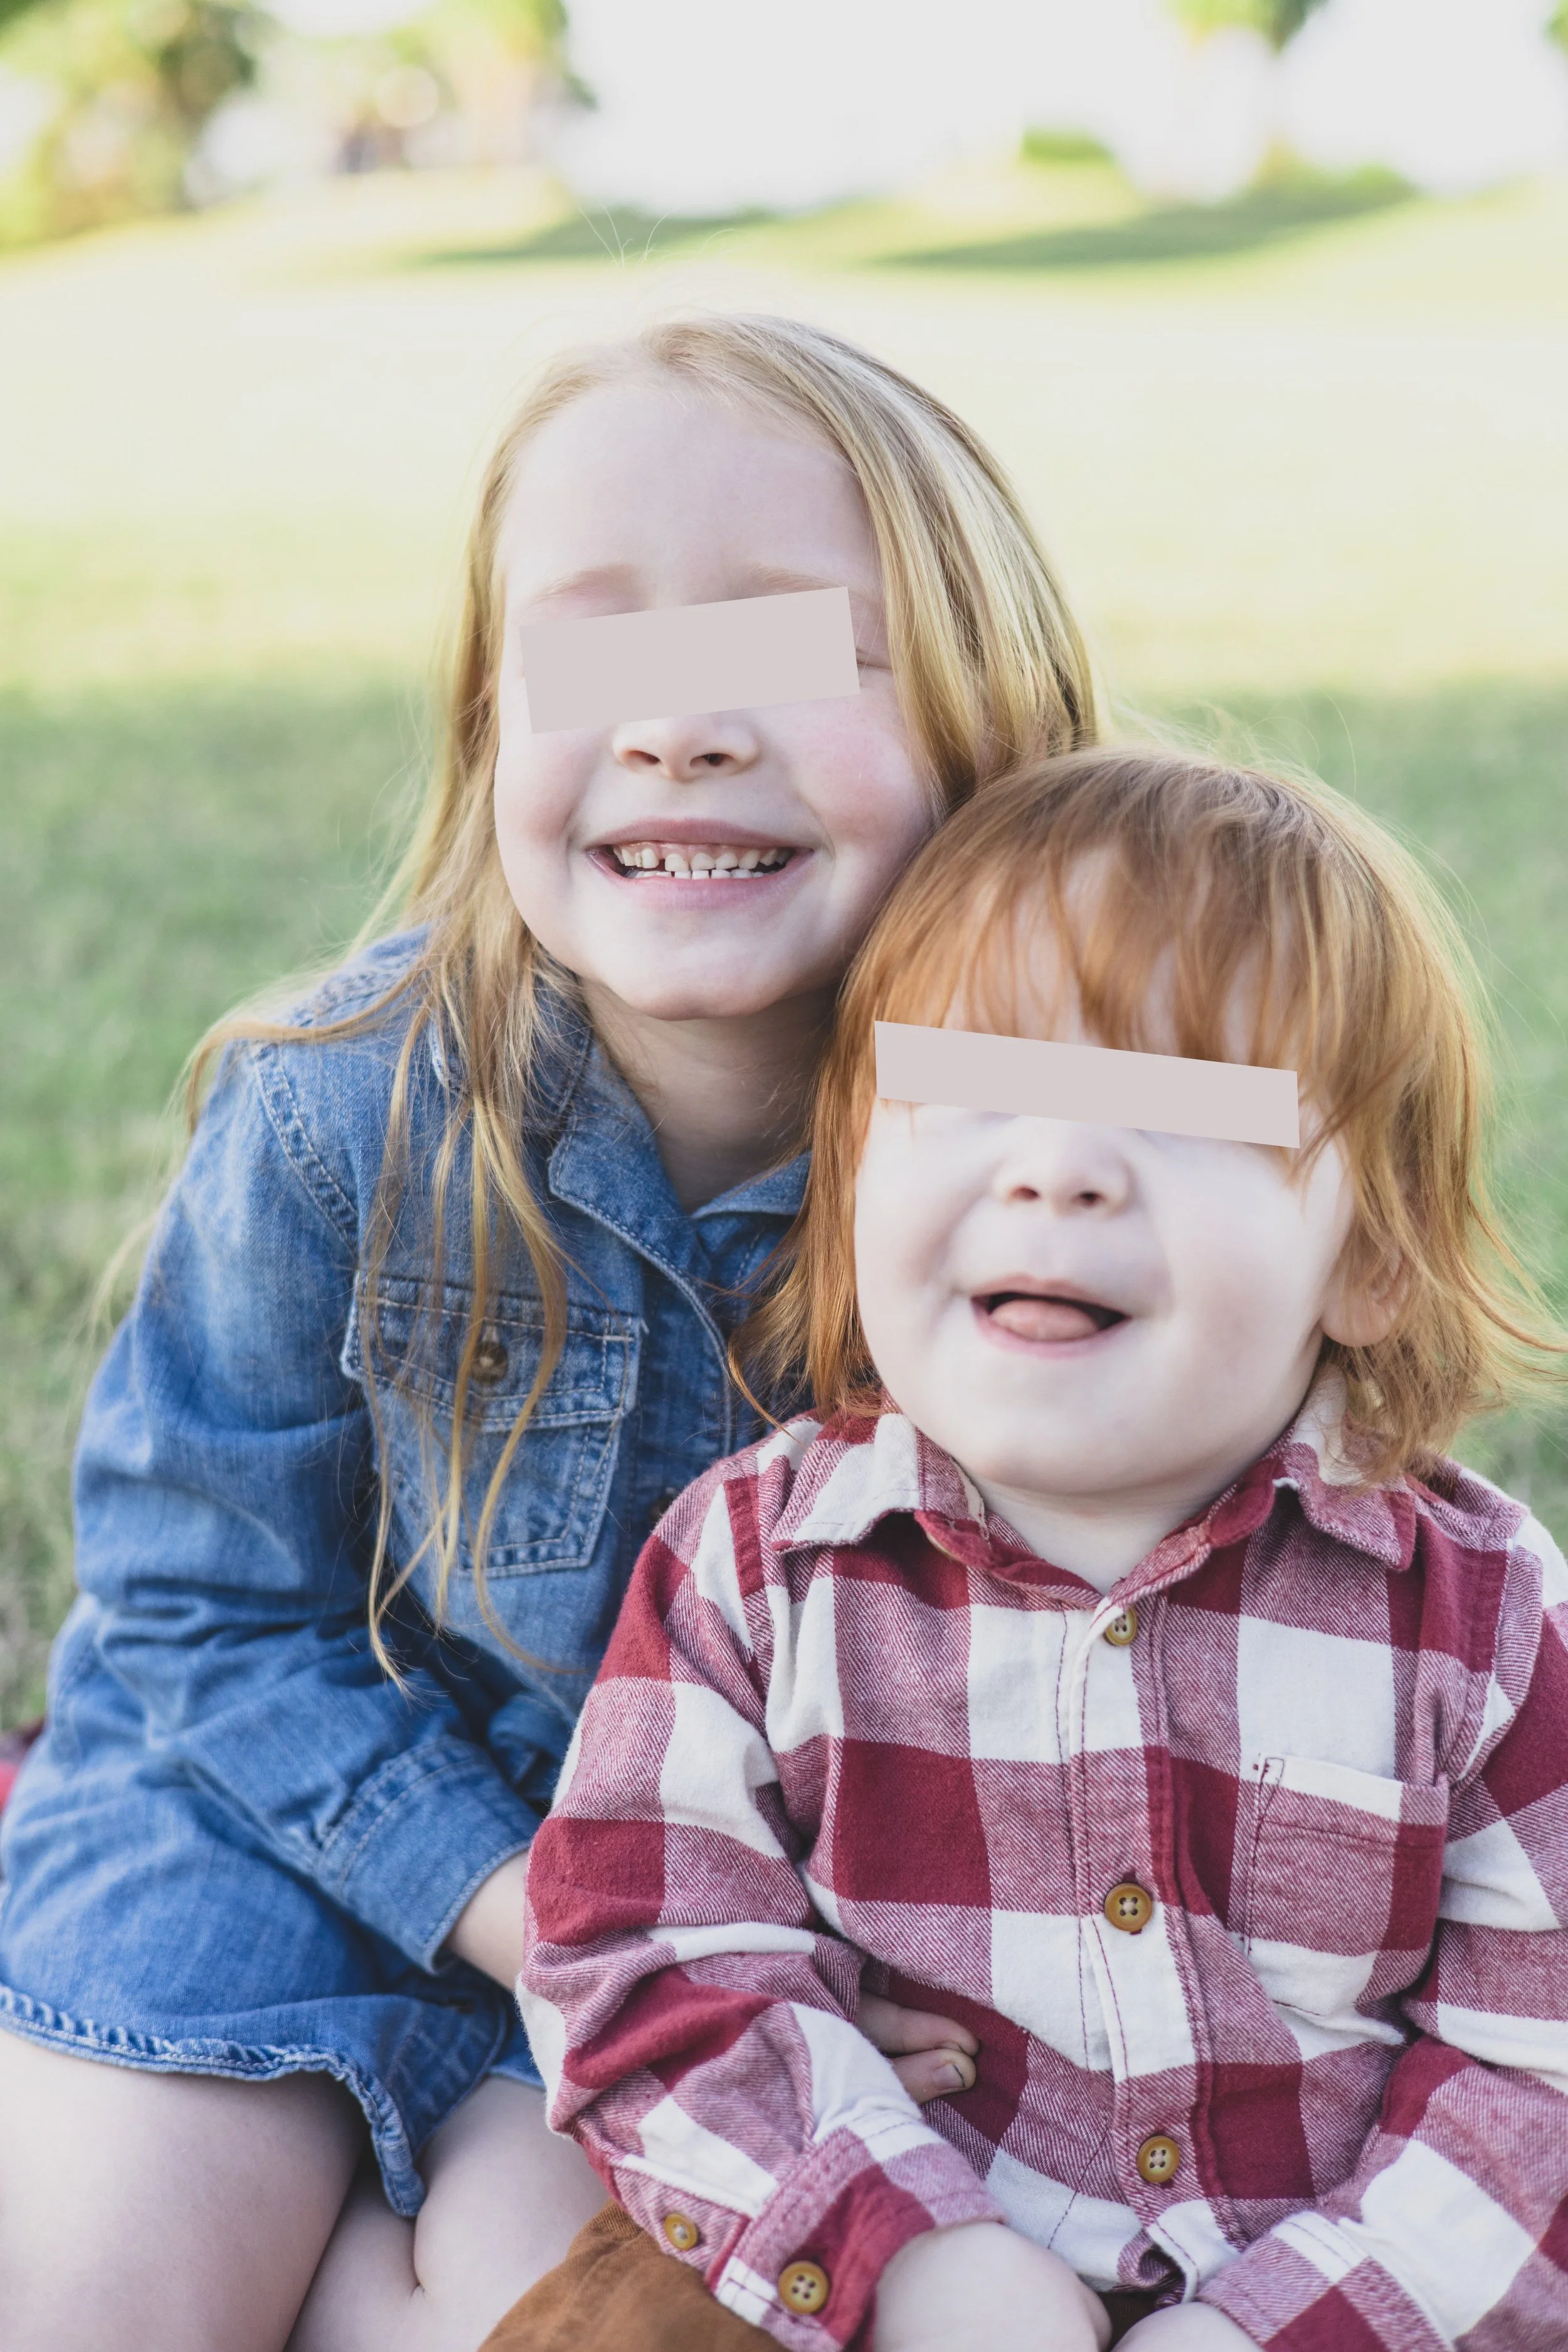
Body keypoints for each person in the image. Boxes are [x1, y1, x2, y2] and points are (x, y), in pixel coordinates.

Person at [0, 314, 1098, 2352]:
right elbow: (203, 1619)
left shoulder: (1048, 1174)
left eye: (785, 646)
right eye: (592, 658)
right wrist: (566, 1931)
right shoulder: (338, 1107)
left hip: (704, 1915)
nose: (680, 727)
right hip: (253, 1832)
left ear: (984, 713)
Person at [517, 747, 1568, 2351]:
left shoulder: (1474, 1618)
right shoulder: (760, 1572)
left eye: (1185, 1111)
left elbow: (1536, 2077)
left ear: (1365, 1258)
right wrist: (916, 2261)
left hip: (1328, 2290)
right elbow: (645, 1960)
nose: (1057, 1163)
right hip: (864, 2275)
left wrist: (1269, 2330)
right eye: (970, 1090)